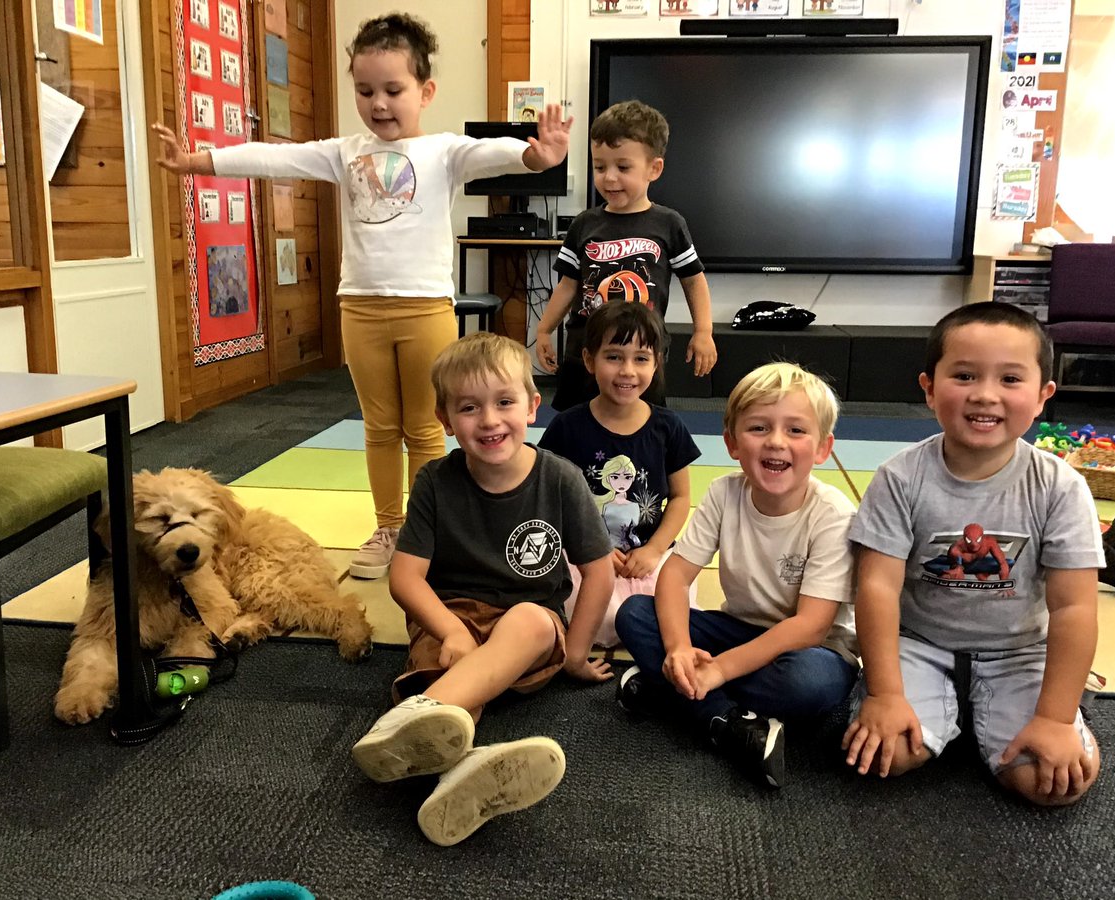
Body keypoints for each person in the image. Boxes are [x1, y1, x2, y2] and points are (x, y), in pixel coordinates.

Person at [151, 13, 571, 580]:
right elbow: (273, 158)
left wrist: (539, 156)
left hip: (425, 308)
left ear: (425, 91)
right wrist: (196, 162)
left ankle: (426, 529)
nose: (379, 103)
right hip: (361, 307)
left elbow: (497, 152)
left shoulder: (445, 151)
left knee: (425, 425)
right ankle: (389, 525)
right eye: (365, 90)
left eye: (393, 90)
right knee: (379, 426)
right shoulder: (343, 151)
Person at [350, 332, 615, 846]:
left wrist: (576, 655)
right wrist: (451, 631)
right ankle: (460, 772)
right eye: (469, 408)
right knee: (449, 676)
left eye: (504, 402)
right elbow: (405, 577)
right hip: (451, 617)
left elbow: (599, 571)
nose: (490, 420)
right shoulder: (434, 481)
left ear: (532, 407)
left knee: (530, 620)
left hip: (527, 625)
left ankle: (401, 723)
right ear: (446, 419)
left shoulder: (560, 479)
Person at [842, 302, 1103, 806]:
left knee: (1049, 784)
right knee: (887, 756)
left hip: (1019, 651)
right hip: (919, 643)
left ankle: (1051, 709)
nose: (985, 394)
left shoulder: (1060, 487)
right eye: (964, 376)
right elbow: (876, 588)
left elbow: (1074, 607)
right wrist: (886, 695)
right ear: (929, 388)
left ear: (1043, 395)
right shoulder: (900, 477)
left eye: (1010, 379)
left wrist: (1053, 719)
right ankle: (937, 708)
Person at [615, 362, 859, 788]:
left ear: (823, 448)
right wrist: (678, 648)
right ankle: (727, 719)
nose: (776, 441)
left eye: (796, 430)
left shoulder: (833, 514)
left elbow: (811, 626)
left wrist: (721, 669)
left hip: (811, 650)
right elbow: (674, 577)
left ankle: (670, 689)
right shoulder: (724, 492)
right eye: (759, 428)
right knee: (635, 613)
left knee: (811, 684)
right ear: (731, 443)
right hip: (738, 630)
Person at [533, 100, 716, 411]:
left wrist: (703, 331)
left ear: (654, 168)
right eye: (600, 167)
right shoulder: (584, 224)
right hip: (585, 353)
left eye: (623, 167)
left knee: (643, 424)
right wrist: (543, 329)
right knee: (575, 424)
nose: (609, 178)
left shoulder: (669, 224)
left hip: (641, 355)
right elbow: (568, 285)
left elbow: (693, 281)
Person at [538, 301, 701, 646]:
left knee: (676, 598)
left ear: (656, 363)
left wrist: (654, 549)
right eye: (614, 357)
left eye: (640, 359)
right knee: (581, 602)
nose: (627, 371)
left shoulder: (668, 427)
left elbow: (681, 496)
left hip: (650, 554)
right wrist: (590, 550)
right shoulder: (567, 427)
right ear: (589, 360)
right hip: (587, 557)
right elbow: (549, 499)